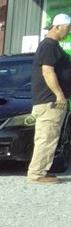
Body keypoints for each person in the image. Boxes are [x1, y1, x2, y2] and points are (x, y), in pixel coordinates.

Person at [27, 13, 71, 184]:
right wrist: (59, 95)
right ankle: (37, 174)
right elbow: (47, 71)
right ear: (57, 27)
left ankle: (41, 171)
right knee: (46, 137)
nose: (68, 32)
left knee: (49, 137)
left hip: (51, 102)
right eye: (67, 29)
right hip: (50, 102)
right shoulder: (49, 45)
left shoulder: (52, 46)